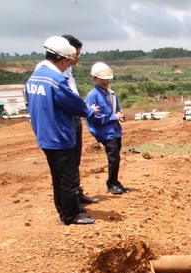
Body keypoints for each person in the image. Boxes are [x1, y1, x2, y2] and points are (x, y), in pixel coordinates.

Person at [25, 36, 99, 225]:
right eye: (69, 61)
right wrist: (89, 111)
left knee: (57, 176)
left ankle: (63, 211)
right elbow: (74, 104)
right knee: (68, 177)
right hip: (59, 134)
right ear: (64, 59)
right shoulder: (56, 79)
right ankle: (71, 215)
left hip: (44, 134)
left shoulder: (36, 76)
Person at [62, 34, 100, 206]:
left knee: (75, 159)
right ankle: (71, 202)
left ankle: (77, 193)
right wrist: (86, 110)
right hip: (68, 120)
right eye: (76, 54)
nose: (77, 57)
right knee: (68, 163)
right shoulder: (59, 73)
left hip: (75, 118)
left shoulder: (68, 71)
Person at [85, 62, 131, 195]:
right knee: (113, 157)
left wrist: (120, 116)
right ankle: (111, 184)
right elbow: (92, 116)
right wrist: (113, 118)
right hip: (104, 132)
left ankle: (115, 182)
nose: (106, 82)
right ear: (94, 79)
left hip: (115, 130)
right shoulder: (92, 96)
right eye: (102, 80)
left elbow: (116, 111)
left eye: (107, 80)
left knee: (116, 156)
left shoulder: (111, 94)